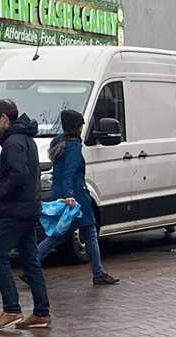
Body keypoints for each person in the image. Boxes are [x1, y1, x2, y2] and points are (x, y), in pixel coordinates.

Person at [0, 99, 51, 330]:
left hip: (15, 210)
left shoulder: (12, 142)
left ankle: (11, 309)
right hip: (29, 208)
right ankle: (41, 312)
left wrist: (0, 194)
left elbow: (18, 175)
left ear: (4, 118)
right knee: (31, 261)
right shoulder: (26, 138)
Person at [35, 109, 116, 285]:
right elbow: (69, 173)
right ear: (77, 127)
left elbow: (60, 173)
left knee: (57, 234)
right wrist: (70, 195)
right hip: (76, 196)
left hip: (59, 193)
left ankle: (31, 266)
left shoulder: (57, 143)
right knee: (90, 231)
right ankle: (98, 273)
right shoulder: (73, 146)